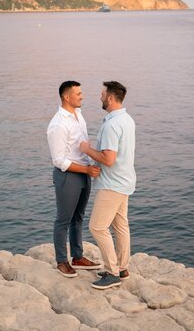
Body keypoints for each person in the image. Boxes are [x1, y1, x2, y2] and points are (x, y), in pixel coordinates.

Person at [80, 81, 136, 290]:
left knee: (97, 227)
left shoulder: (112, 124)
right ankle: (122, 268)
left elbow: (109, 159)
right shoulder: (127, 119)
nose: (100, 97)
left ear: (111, 98)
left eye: (103, 94)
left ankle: (112, 273)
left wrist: (87, 149)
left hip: (112, 184)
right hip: (125, 181)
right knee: (121, 226)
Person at [47, 80, 102, 277]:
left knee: (78, 217)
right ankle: (62, 261)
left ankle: (77, 257)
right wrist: (86, 170)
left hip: (84, 173)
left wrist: (90, 166)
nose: (82, 96)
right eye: (78, 94)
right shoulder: (58, 124)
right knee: (63, 220)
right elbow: (59, 160)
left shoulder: (78, 114)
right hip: (68, 176)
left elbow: (82, 146)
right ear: (66, 97)